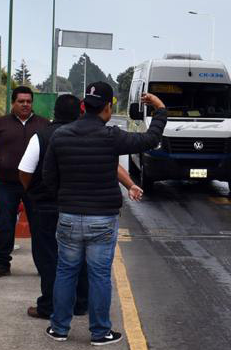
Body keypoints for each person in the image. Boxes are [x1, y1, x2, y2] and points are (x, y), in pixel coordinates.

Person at [43, 83, 166, 345]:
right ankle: (100, 332)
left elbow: (48, 177)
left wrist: (64, 199)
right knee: (99, 275)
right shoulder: (111, 137)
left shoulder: (61, 136)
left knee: (65, 272)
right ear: (108, 107)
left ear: (83, 106)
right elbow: (149, 140)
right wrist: (160, 110)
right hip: (102, 218)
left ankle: (59, 328)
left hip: (68, 216)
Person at [19, 93, 142, 320]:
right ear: (80, 111)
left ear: (53, 112)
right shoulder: (91, 135)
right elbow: (114, 165)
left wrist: (35, 193)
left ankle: (49, 306)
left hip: (46, 206)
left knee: (50, 258)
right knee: (84, 260)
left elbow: (25, 170)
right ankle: (81, 303)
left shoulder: (41, 136)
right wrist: (132, 184)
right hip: (79, 207)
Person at [0, 86, 49, 279]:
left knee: (39, 226)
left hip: (35, 186)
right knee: (6, 224)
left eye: (28, 101)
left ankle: (43, 267)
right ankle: (2, 264)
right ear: (13, 103)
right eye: (21, 101)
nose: (25, 105)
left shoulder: (43, 125)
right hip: (7, 183)